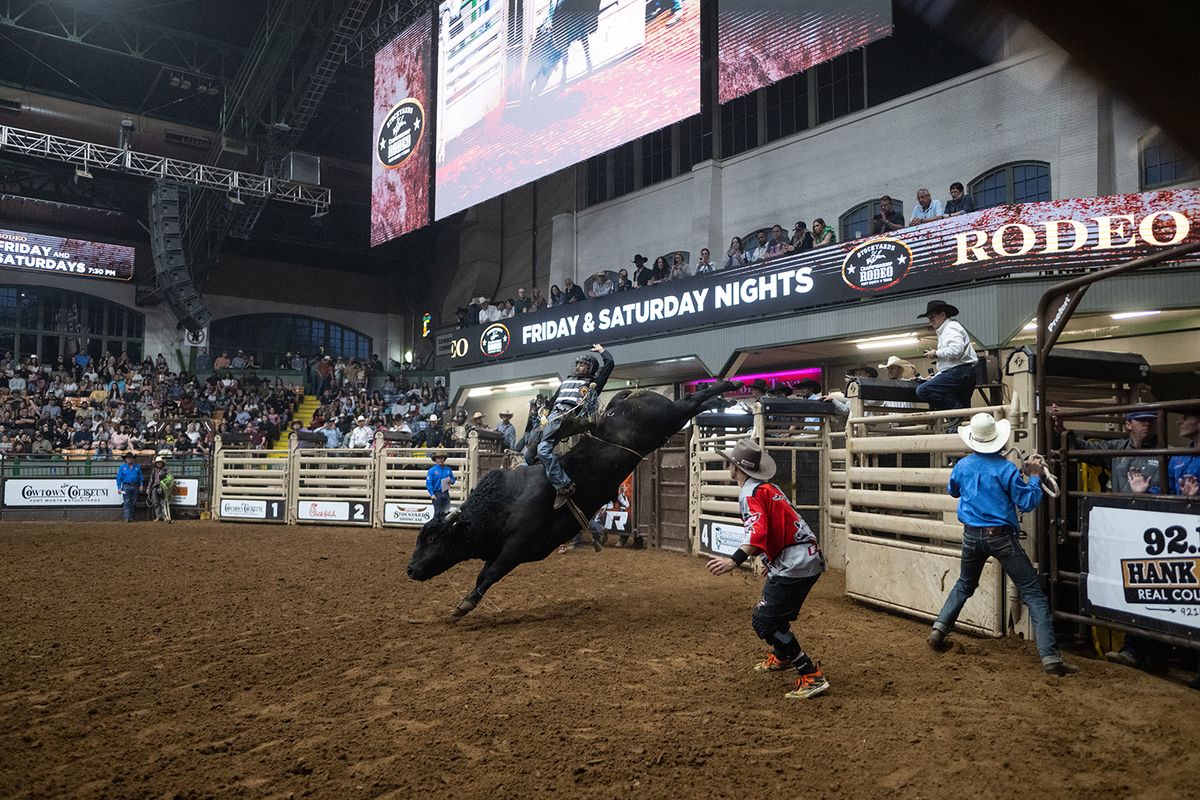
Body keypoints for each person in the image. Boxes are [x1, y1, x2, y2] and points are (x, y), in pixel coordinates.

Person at [928, 413, 1079, 676]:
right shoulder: (1006, 469)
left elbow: (953, 490)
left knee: (965, 583)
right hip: (1000, 537)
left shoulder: (963, 466)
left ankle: (939, 628)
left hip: (972, 535)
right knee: (1033, 593)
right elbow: (1027, 503)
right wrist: (1034, 477)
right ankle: (1050, 657)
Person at [706, 438, 829, 700]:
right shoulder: (767, 488)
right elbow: (777, 525)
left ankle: (809, 673)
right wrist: (770, 557)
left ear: (735, 468)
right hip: (803, 557)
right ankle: (783, 656)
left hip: (795, 563)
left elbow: (758, 530)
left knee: (765, 620)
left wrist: (733, 560)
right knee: (775, 614)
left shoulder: (750, 493)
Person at [526, 343, 615, 507]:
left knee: (543, 449)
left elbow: (609, 364)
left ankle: (564, 485)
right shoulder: (566, 382)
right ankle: (537, 474)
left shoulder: (593, 383)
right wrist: (545, 411)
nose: (579, 367)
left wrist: (602, 351)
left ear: (590, 369)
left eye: (583, 364)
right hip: (552, 415)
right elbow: (552, 401)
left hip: (568, 414)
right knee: (528, 451)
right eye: (578, 364)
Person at [915, 299, 978, 411]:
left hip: (959, 372)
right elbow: (953, 359)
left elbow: (956, 350)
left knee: (923, 390)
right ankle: (958, 415)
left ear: (943, 315)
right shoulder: (949, 328)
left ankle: (956, 411)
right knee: (962, 407)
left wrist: (935, 353)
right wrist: (937, 376)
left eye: (932, 317)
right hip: (963, 372)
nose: (930, 321)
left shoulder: (951, 327)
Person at [426, 451, 456, 517]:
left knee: (447, 512)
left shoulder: (448, 469)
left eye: (442, 458)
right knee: (437, 513)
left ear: (444, 459)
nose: (440, 460)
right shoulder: (432, 470)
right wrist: (432, 494)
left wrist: (451, 481)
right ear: (435, 459)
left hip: (446, 493)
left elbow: (453, 479)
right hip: (437, 494)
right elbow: (429, 483)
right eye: (438, 458)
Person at [116, 452, 143, 522]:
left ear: (133, 459)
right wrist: (119, 487)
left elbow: (140, 476)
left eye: (131, 458)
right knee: (127, 502)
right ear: (126, 459)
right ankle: (127, 517)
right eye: (128, 458)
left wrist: (141, 485)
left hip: (135, 485)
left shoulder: (137, 466)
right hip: (126, 486)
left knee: (133, 502)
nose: (129, 459)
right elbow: (119, 478)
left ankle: (131, 517)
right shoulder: (122, 467)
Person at [147, 455, 174, 522]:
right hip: (154, 487)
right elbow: (151, 480)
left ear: (162, 463)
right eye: (157, 462)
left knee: (163, 502)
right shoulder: (154, 471)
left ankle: (165, 517)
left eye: (160, 462)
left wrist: (166, 485)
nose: (159, 463)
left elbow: (170, 478)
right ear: (156, 463)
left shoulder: (166, 470)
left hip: (163, 487)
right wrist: (148, 488)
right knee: (156, 502)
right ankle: (158, 516)